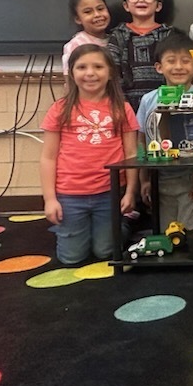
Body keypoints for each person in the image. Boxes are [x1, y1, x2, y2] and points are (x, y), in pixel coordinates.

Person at [40, 44, 139, 264]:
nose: (90, 73)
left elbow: (131, 153)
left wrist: (130, 192)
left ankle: (123, 224)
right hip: (70, 195)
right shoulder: (59, 109)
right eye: (82, 67)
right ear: (72, 73)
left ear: (110, 72)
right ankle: (74, 229)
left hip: (109, 193)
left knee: (105, 252)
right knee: (71, 258)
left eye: (98, 66)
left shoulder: (122, 108)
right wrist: (50, 199)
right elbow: (48, 157)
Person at [135, 34, 193, 231]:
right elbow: (141, 138)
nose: (178, 67)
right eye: (171, 61)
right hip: (159, 178)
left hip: (191, 180)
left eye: (186, 61)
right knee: (166, 231)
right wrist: (143, 181)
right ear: (159, 67)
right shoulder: (148, 100)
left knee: (192, 231)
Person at [107, 0, 175, 112]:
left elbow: (174, 68)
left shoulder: (169, 34)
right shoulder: (118, 35)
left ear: (158, 6)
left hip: (163, 102)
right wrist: (120, 101)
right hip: (126, 103)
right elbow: (113, 71)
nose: (141, 0)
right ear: (126, 6)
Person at [62, 0, 111, 88]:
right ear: (78, 19)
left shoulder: (117, 39)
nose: (97, 15)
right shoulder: (75, 45)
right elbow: (70, 83)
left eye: (100, 9)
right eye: (88, 12)